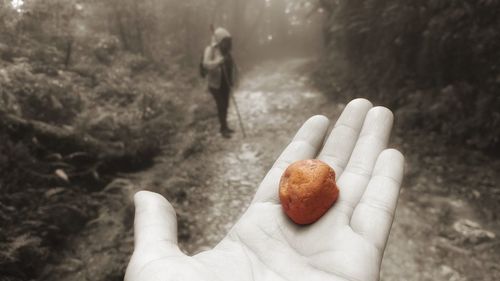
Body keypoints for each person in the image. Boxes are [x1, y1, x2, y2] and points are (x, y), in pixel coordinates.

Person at [125, 98, 405, 281]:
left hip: (310, 199)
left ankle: (223, 123)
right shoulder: (212, 53)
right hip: (215, 89)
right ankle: (222, 123)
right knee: (220, 106)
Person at [202, 27, 238, 138]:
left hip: (225, 82)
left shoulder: (226, 51)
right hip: (214, 84)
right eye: (224, 40)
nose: (226, 43)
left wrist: (232, 80)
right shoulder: (210, 49)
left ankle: (225, 126)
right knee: (221, 104)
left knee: (226, 105)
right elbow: (206, 64)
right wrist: (218, 62)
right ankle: (223, 130)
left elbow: (231, 66)